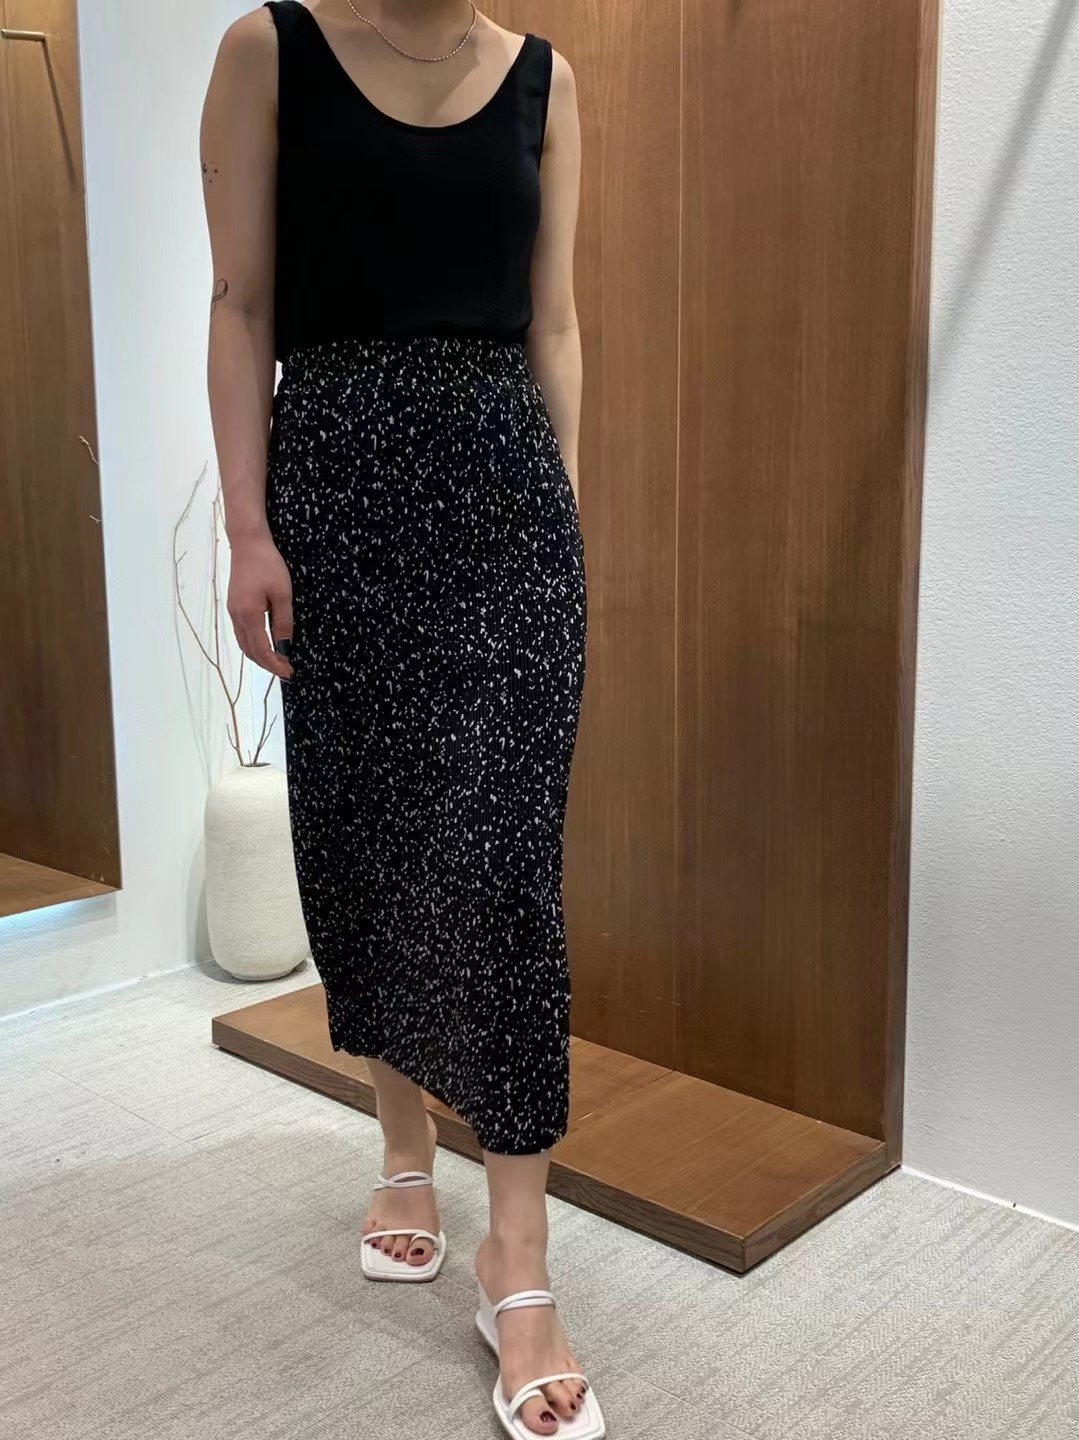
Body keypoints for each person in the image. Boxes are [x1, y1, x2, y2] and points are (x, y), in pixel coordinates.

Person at [200, 3, 599, 1435]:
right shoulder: (269, 53)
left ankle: (519, 1261)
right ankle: (403, 1146)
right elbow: (242, 306)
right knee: (372, 848)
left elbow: (555, 322)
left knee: (505, 879)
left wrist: (564, 531)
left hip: (508, 514)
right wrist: (247, 530)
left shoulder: (547, 82)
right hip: (338, 505)